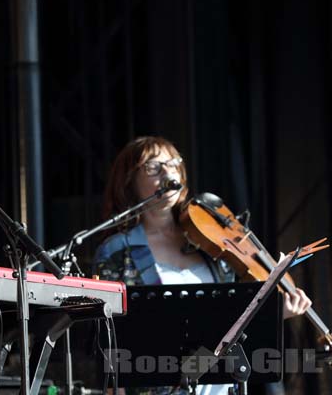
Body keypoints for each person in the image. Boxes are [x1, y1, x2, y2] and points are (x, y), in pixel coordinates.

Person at [93, 136, 312, 395]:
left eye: (173, 164)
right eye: (153, 167)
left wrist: (274, 314)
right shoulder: (118, 250)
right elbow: (111, 340)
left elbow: (230, 328)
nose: (167, 171)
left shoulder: (208, 241)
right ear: (129, 182)